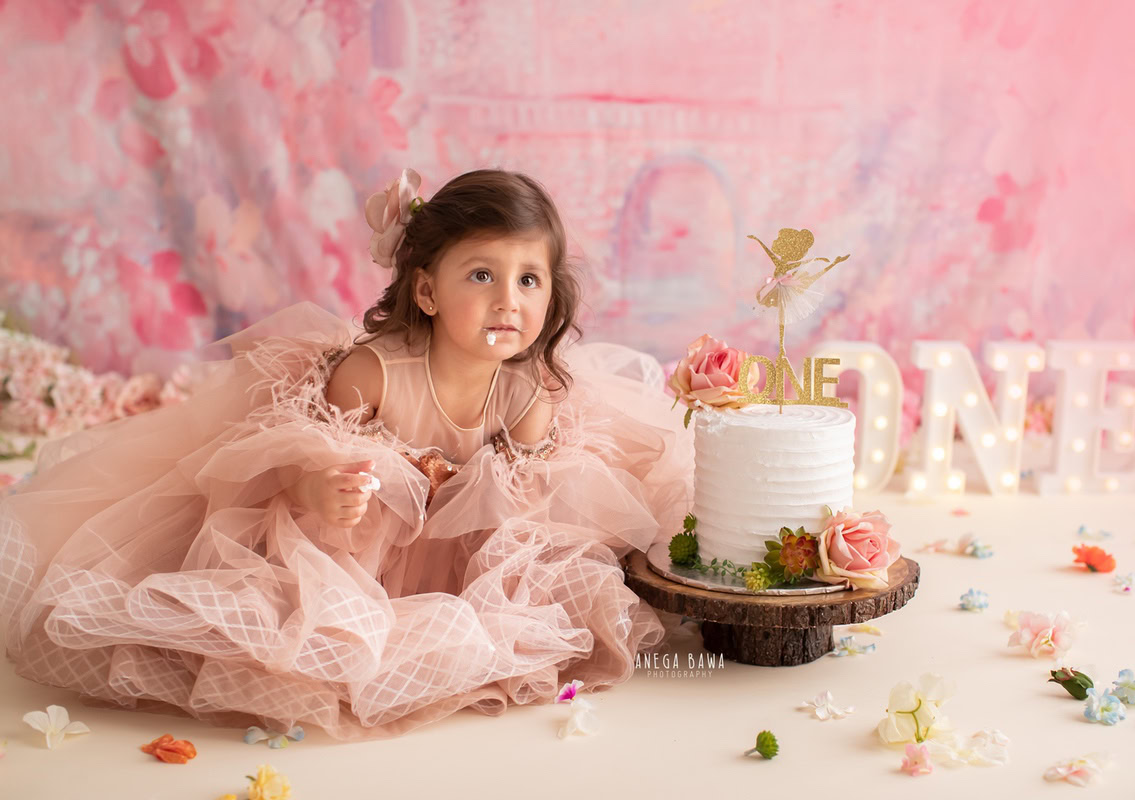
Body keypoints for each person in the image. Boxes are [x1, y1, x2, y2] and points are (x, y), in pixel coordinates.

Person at [0, 168, 693, 740]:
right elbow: (282, 458)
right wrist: (320, 487)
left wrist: (492, 490)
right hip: (356, 548)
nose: (508, 302)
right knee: (300, 623)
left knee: (557, 589)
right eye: (482, 276)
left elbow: (531, 510)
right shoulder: (372, 372)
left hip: (459, 550)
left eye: (528, 281)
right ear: (426, 289)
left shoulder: (526, 389)